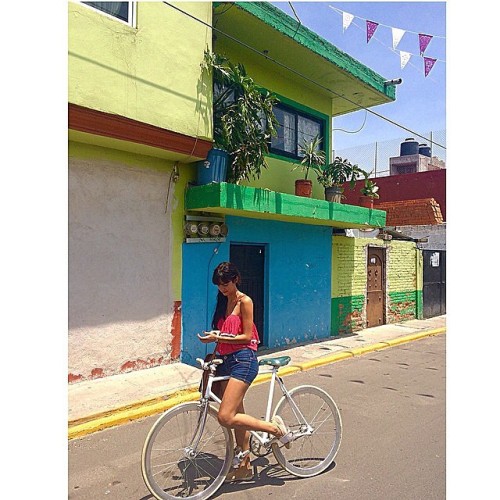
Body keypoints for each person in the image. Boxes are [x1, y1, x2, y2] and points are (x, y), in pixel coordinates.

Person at [197, 261, 290, 482]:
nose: (223, 288)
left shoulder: (245, 301)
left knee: (226, 416)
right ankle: (245, 466)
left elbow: (247, 337)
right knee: (237, 417)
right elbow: (225, 333)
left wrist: (217, 337)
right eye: (219, 285)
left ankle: (275, 429)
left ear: (235, 279)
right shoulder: (223, 301)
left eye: (226, 283)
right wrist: (215, 342)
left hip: (244, 361)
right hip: (226, 360)